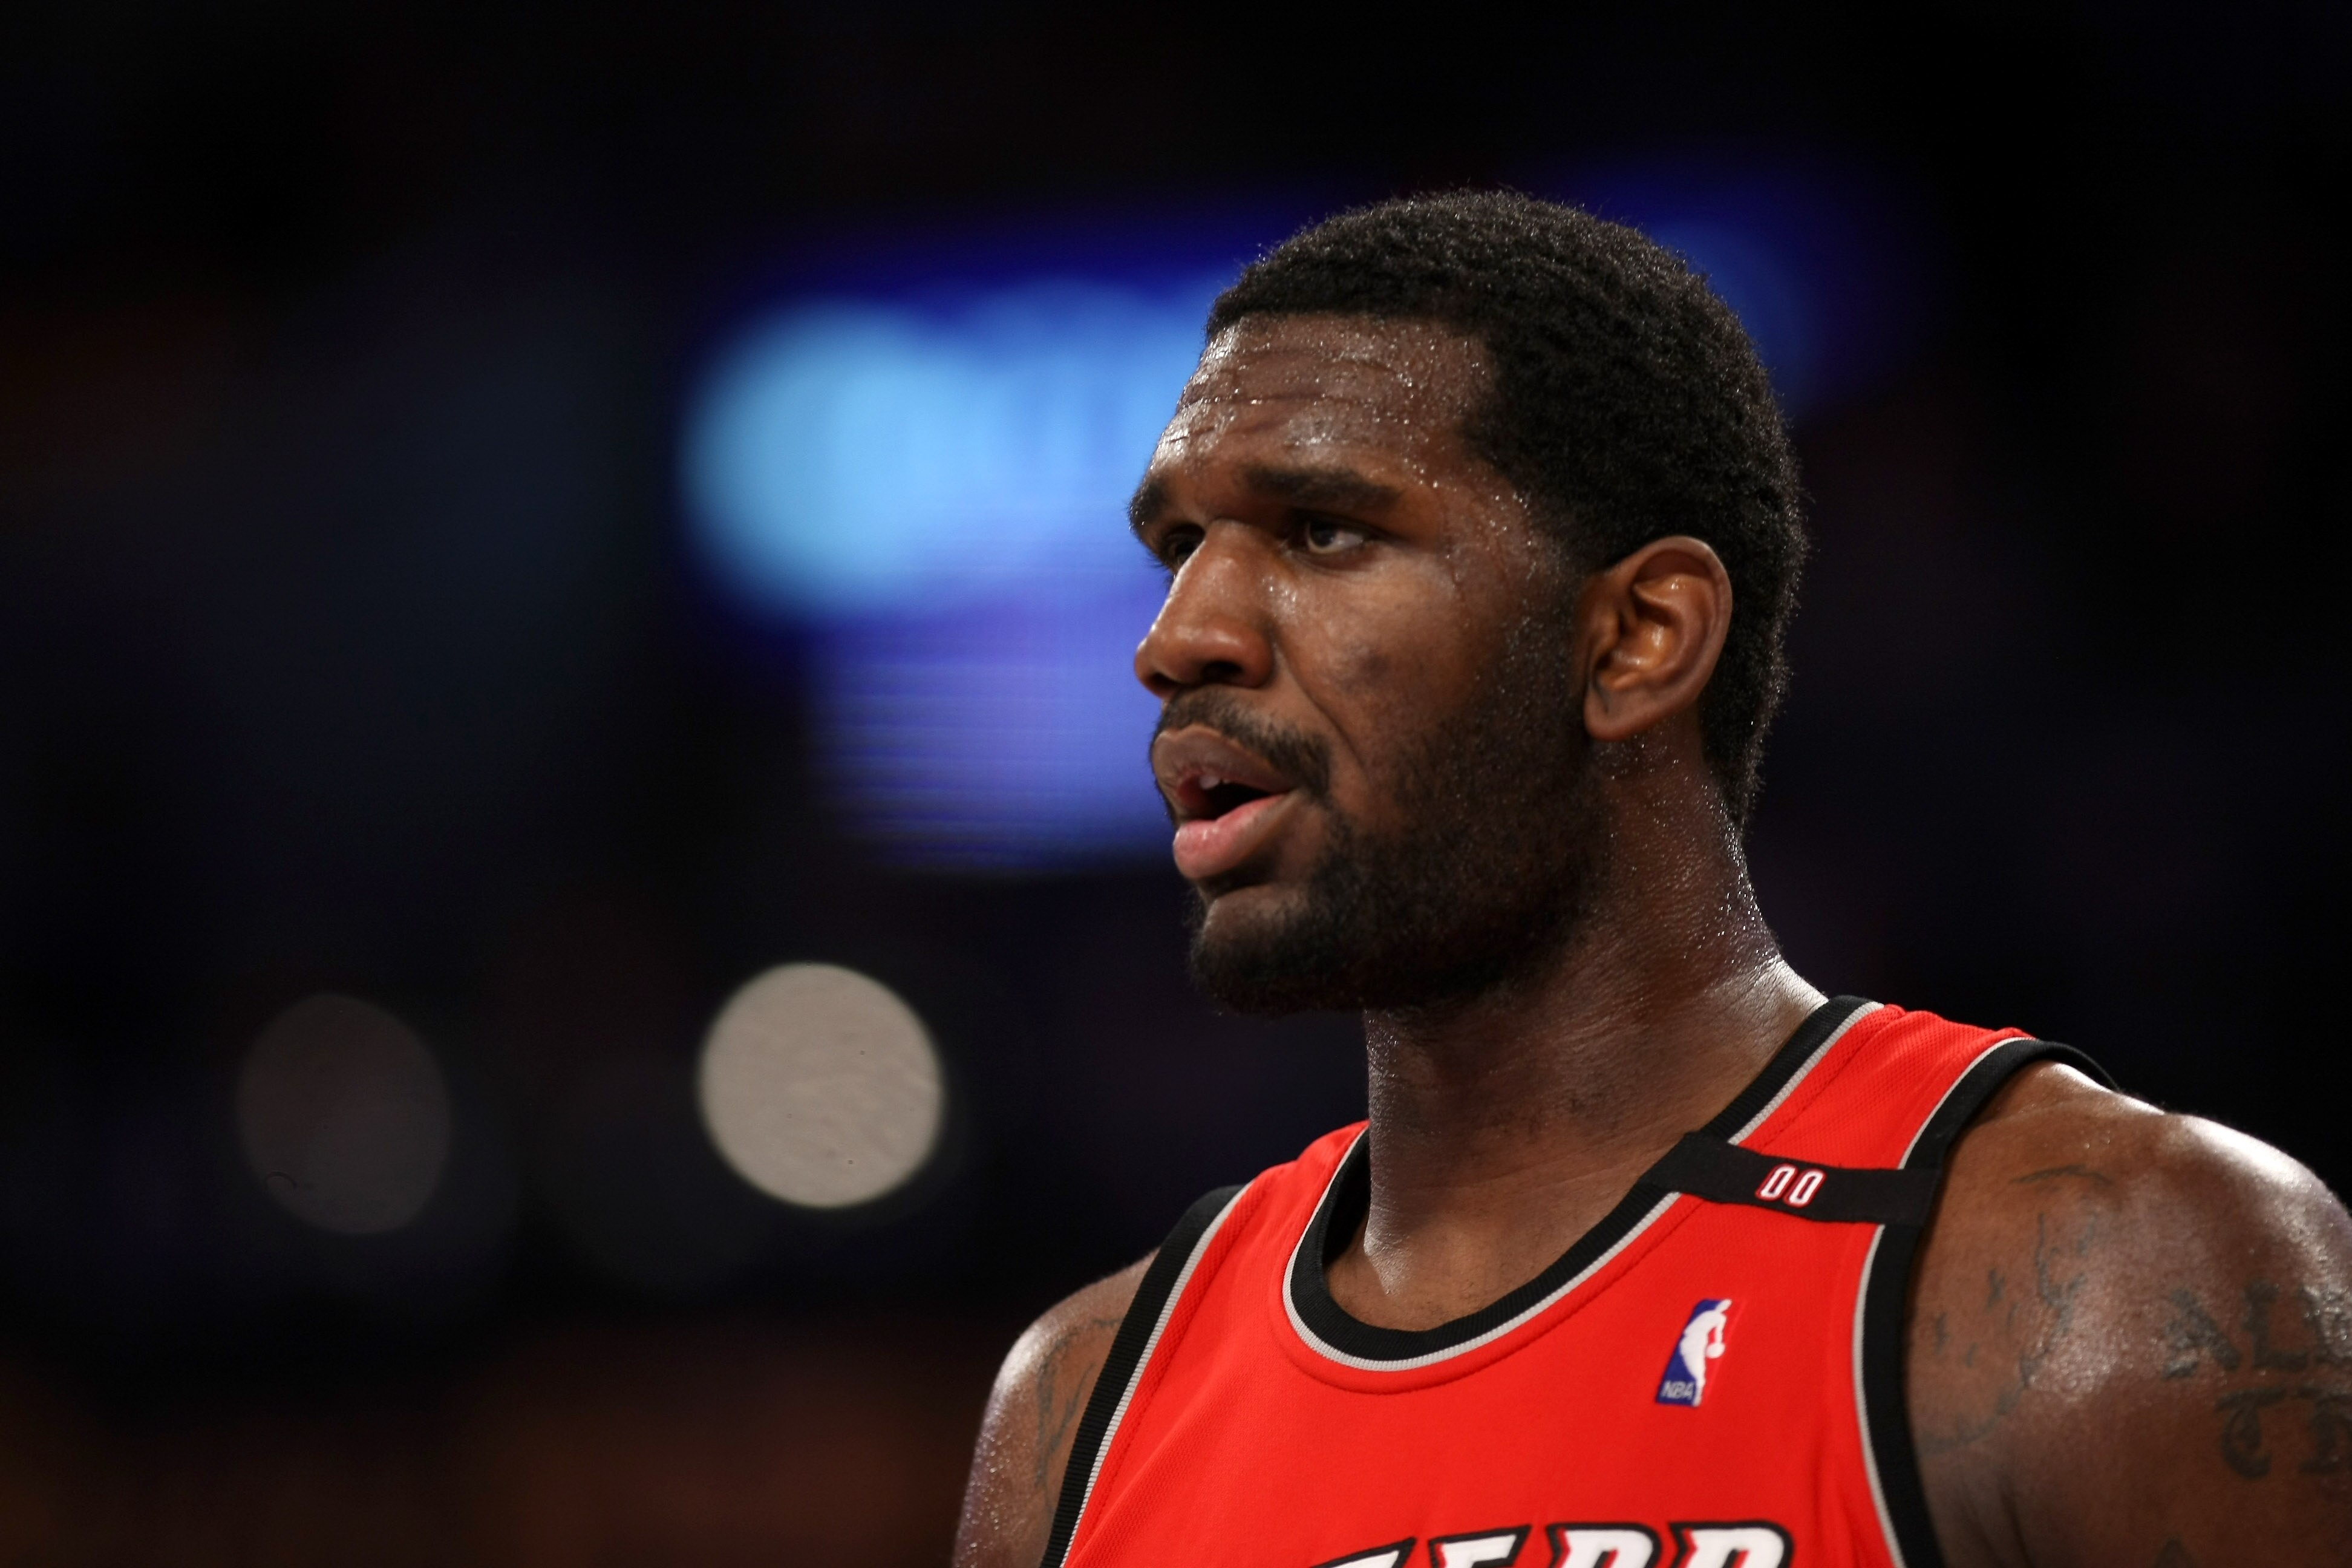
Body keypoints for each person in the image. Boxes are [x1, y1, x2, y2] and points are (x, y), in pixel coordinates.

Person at [950, 192, 2352, 1568]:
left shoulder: (2111, 1271)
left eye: (1322, 531)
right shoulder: (1082, 1406)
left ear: (1636, 639)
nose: (1176, 636)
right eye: (1180, 546)